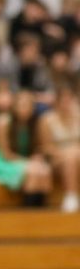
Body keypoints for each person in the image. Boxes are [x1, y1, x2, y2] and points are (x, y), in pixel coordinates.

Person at [0, 90, 52, 206]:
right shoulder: (3, 121)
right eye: (22, 105)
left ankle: (43, 216)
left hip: (26, 159)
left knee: (44, 170)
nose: (26, 109)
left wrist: (38, 157)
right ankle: (29, 215)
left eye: (29, 105)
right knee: (33, 172)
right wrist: (29, 162)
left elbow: (41, 147)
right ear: (14, 105)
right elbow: (6, 155)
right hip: (5, 161)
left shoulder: (36, 122)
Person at [40, 81, 80, 213]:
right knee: (70, 157)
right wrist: (66, 153)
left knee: (74, 155)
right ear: (57, 102)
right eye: (64, 100)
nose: (67, 103)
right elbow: (46, 147)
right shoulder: (47, 120)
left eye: (69, 99)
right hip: (57, 159)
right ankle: (71, 195)